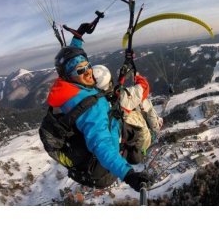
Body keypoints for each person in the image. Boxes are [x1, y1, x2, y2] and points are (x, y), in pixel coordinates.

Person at [42, 23, 152, 192]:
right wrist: (129, 175)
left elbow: (70, 62)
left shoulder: (65, 89)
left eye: (87, 66)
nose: (87, 72)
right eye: (80, 71)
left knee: (125, 125)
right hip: (103, 170)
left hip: (86, 157)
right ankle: (135, 157)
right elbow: (102, 145)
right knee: (136, 132)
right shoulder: (92, 107)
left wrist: (77, 38)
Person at [92, 64, 163, 155]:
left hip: (120, 143)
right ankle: (155, 130)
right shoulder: (121, 98)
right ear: (110, 82)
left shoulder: (93, 105)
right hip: (138, 143)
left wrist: (122, 79)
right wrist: (135, 75)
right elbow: (144, 87)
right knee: (145, 103)